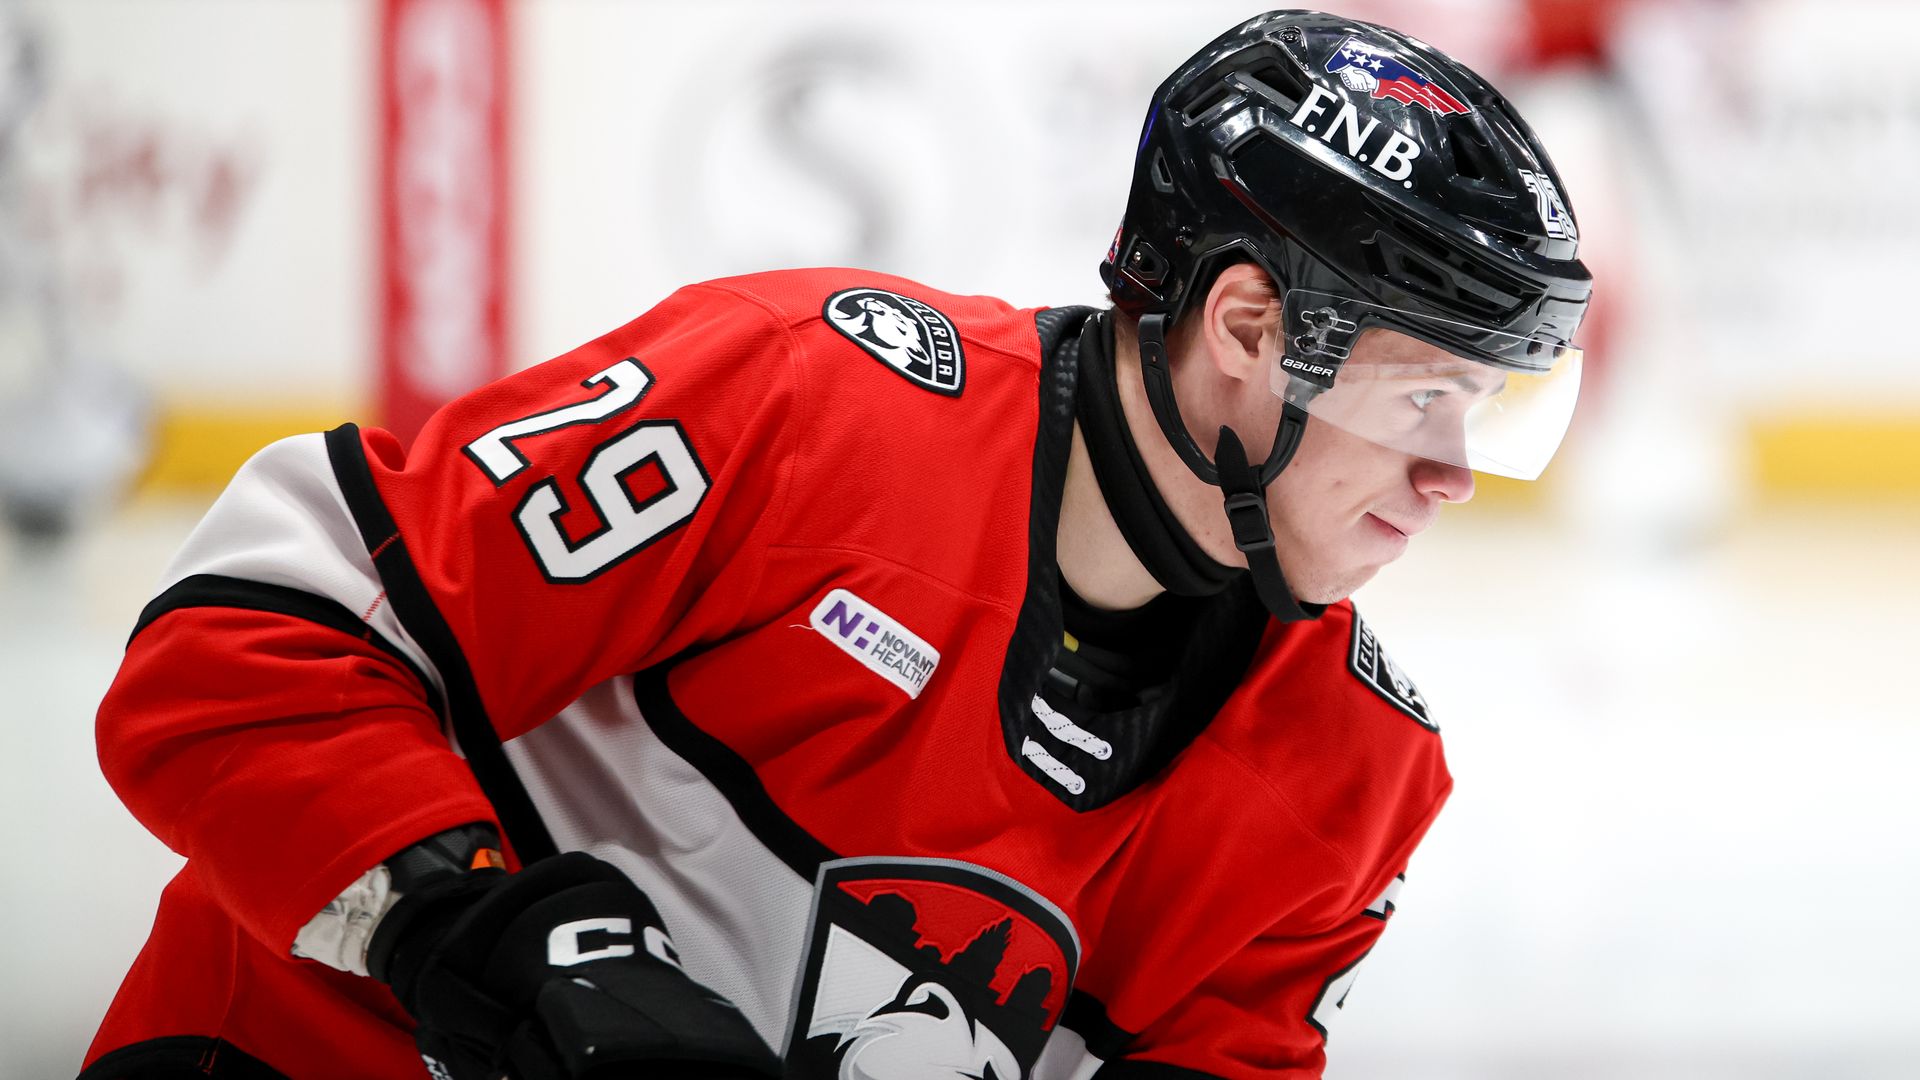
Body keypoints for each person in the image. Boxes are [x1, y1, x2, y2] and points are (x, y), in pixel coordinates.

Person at [81, 10, 1590, 1080]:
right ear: (1247, 328)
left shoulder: (1348, 780)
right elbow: (242, 651)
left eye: (1492, 412)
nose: (1456, 477)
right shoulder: (803, 405)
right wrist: (507, 944)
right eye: (1425, 398)